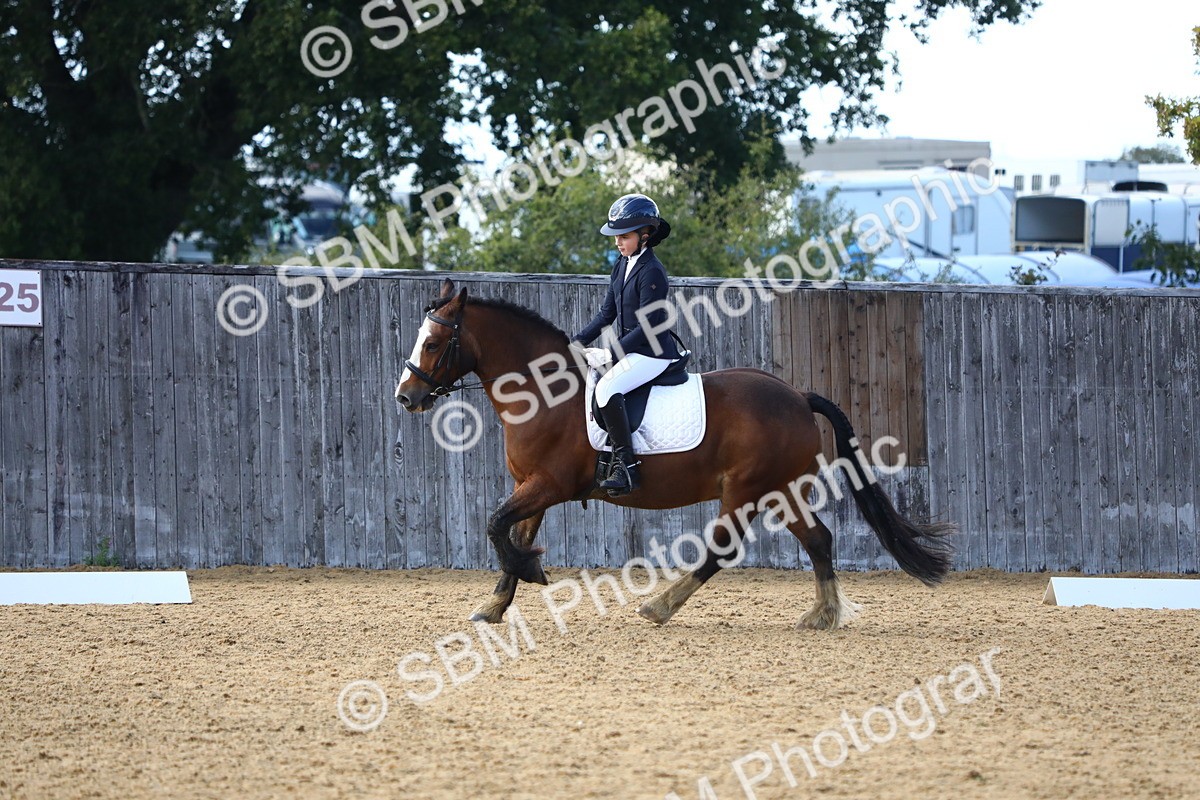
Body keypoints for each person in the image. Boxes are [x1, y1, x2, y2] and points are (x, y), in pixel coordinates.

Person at [571, 193, 681, 497]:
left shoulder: (652, 271)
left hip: (653, 352)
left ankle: (626, 466)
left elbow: (649, 325)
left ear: (645, 236)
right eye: (616, 236)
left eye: (625, 236)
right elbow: (606, 314)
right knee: (593, 382)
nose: (618, 242)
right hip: (632, 349)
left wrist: (609, 352)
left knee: (607, 389)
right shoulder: (621, 265)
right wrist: (575, 343)